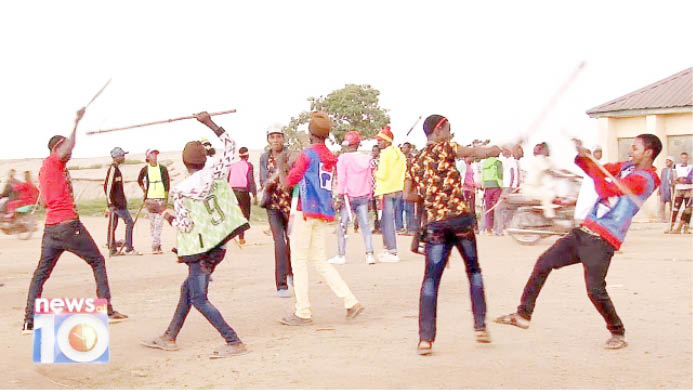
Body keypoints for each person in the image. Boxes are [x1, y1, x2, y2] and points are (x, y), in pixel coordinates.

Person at [495, 134, 663, 350]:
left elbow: (606, 189)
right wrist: (583, 158)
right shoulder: (628, 166)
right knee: (543, 263)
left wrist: (596, 169)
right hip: (584, 231)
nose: (631, 152)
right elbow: (596, 171)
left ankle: (617, 332)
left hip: (603, 239)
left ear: (649, 152)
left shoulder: (645, 180)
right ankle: (523, 314)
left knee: (595, 290)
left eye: (635, 148)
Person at [141, 111, 250, 358]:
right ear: (203, 159)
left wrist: (163, 212)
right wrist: (209, 122)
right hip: (219, 246)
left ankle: (233, 340)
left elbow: (184, 226)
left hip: (200, 252)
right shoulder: (217, 172)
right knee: (187, 290)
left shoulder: (181, 190)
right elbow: (230, 144)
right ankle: (169, 336)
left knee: (199, 297)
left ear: (185, 162)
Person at [23, 107, 128, 333]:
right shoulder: (53, 162)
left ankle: (29, 321)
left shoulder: (46, 169)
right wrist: (76, 123)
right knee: (98, 261)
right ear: (55, 148)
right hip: (68, 226)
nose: (69, 153)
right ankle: (107, 309)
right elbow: (66, 149)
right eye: (63, 148)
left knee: (41, 274)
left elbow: (44, 203)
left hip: (51, 229)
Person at [408, 115, 502, 355]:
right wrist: (498, 149)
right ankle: (480, 326)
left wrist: (431, 196)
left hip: (436, 225)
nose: (450, 133)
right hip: (460, 221)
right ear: (439, 130)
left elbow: (408, 194)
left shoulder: (415, 159)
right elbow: (476, 151)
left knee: (430, 280)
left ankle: (425, 340)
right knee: (473, 271)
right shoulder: (447, 147)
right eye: (448, 129)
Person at [277, 112, 364, 326]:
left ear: (310, 133)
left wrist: (280, 166)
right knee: (319, 260)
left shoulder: (307, 155)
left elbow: (288, 182)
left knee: (299, 262)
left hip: (304, 210)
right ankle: (350, 301)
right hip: (321, 212)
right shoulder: (329, 155)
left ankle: (303, 311)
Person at [329, 131, 376, 265]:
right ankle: (369, 254)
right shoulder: (366, 158)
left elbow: (342, 179)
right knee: (365, 226)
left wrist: (339, 195)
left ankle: (341, 255)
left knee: (343, 225)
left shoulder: (343, 159)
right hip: (363, 195)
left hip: (348, 197)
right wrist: (370, 196)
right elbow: (370, 179)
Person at [259, 124, 293, 297]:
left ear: (283, 138)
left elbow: (295, 178)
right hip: (272, 205)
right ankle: (281, 285)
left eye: (278, 136)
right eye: (272, 137)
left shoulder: (290, 155)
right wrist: (270, 181)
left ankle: (292, 273)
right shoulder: (264, 158)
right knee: (279, 242)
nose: (275, 140)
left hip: (289, 205)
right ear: (268, 140)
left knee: (292, 241)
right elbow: (263, 179)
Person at [373, 126, 407, 262]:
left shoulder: (386, 154)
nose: (379, 143)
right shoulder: (400, 154)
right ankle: (388, 250)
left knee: (387, 221)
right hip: (397, 189)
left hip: (386, 190)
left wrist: (375, 171)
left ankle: (392, 251)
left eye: (381, 140)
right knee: (388, 220)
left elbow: (382, 174)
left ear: (387, 141)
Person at [104, 147, 139, 256]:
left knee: (113, 225)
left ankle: (113, 248)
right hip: (116, 205)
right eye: (122, 155)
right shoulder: (113, 169)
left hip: (119, 203)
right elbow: (108, 187)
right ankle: (128, 248)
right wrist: (110, 204)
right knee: (129, 222)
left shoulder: (117, 169)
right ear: (117, 157)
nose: (124, 158)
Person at [137, 149, 170, 254]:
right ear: (147, 157)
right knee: (152, 223)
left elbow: (167, 184)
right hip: (150, 199)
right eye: (152, 154)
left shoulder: (163, 169)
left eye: (155, 154)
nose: (154, 156)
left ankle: (155, 245)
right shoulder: (145, 169)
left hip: (160, 199)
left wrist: (165, 199)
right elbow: (139, 180)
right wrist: (144, 190)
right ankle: (157, 243)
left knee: (159, 223)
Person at [227, 146, 257, 245]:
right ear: (247, 155)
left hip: (232, 191)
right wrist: (255, 194)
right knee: (245, 215)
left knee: (236, 214)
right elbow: (251, 180)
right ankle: (241, 237)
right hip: (243, 192)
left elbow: (228, 179)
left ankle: (235, 234)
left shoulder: (233, 165)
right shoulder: (249, 165)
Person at [521, 142, 558, 219]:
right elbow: (549, 171)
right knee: (547, 195)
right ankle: (551, 218)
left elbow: (557, 169)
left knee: (552, 192)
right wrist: (564, 175)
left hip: (536, 188)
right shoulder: (540, 159)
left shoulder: (546, 160)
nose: (549, 150)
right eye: (547, 149)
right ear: (543, 150)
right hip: (531, 188)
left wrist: (572, 175)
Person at [574, 145, 603, 223]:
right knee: (587, 202)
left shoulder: (601, 164)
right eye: (596, 152)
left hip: (597, 187)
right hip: (589, 187)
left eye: (600, 152)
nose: (599, 154)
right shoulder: (589, 164)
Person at [668, 152, 692, 234]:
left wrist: (684, 180)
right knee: (675, 209)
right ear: (680, 158)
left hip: (688, 190)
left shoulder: (691, 167)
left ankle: (686, 227)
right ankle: (671, 227)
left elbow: (691, 178)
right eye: (682, 158)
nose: (684, 159)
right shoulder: (676, 166)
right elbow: (674, 177)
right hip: (678, 189)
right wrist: (677, 180)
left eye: (685, 158)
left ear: (687, 158)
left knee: (688, 209)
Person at [480, 154, 503, 234]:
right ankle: (497, 229)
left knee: (488, 208)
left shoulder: (485, 163)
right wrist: (501, 186)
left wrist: (483, 185)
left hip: (487, 187)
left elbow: (482, 176)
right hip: (496, 186)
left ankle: (488, 229)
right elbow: (499, 176)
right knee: (497, 208)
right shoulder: (498, 162)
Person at [658, 156, 675, 223]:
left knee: (671, 204)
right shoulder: (663, 170)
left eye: (668, 161)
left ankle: (671, 218)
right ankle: (663, 219)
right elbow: (661, 180)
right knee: (662, 205)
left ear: (671, 162)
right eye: (666, 161)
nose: (667, 162)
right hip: (663, 188)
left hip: (670, 189)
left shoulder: (674, 170)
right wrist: (659, 189)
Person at [369, 145, 381, 233]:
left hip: (380, 188)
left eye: (376, 150)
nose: (374, 152)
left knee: (379, 208)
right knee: (374, 209)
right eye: (373, 150)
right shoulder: (370, 161)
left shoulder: (381, 161)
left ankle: (379, 227)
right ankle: (376, 226)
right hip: (372, 188)